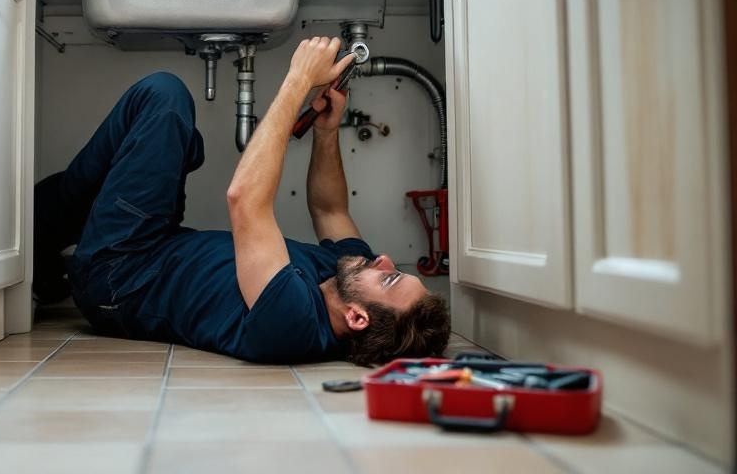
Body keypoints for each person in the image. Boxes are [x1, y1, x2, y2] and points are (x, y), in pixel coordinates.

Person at [35, 37, 450, 365]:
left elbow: (245, 199)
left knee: (162, 98)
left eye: (391, 279)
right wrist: (327, 130)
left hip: (118, 276)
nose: (385, 259)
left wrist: (298, 81)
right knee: (179, 138)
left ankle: (43, 230)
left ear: (357, 318)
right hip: (157, 243)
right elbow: (331, 210)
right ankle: (57, 227)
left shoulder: (293, 323)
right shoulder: (342, 276)